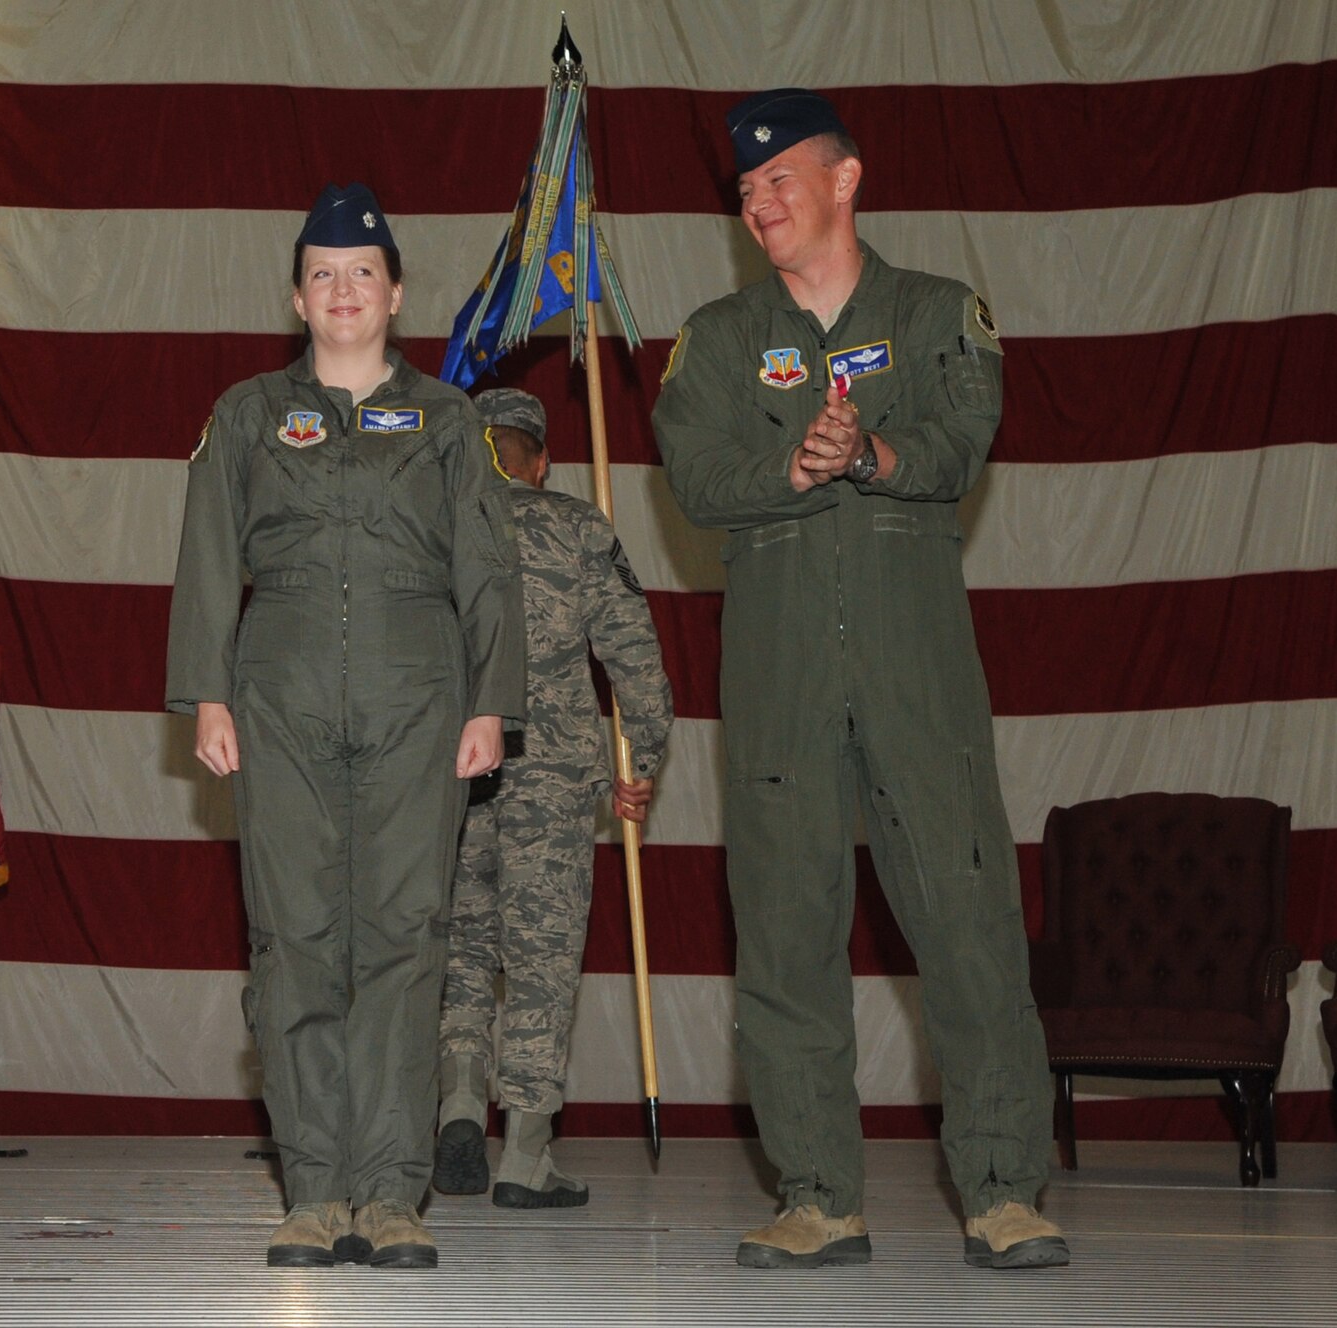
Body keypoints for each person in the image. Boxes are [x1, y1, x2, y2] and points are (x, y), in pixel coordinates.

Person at [650, 88, 1067, 1271]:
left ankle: (1000, 1186)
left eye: (780, 180)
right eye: (743, 191)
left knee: (966, 917)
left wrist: (872, 451)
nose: (757, 203)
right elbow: (694, 469)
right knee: (783, 925)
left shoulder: (937, 313)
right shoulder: (718, 339)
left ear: (846, 179)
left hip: (913, 661)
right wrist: (793, 463)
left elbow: (958, 434)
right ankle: (817, 1192)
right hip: (778, 662)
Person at [165, 182, 524, 1269]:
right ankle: (314, 1187)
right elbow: (207, 556)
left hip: (419, 700)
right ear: (295, 294)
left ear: (395, 292)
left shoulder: (452, 420)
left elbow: (488, 570)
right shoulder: (244, 414)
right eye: (321, 274)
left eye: (360, 273)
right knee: (295, 942)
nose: (341, 291)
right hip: (278, 700)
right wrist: (208, 693)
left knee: (406, 943)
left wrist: (490, 700)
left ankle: (392, 1189)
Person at [432, 389, 674, 1210]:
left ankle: (459, 1102)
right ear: (541, 459)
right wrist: (642, 760)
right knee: (538, 964)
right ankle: (524, 1155)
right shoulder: (578, 528)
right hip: (554, 775)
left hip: (449, 773)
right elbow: (634, 657)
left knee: (458, 952)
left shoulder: (438, 528)